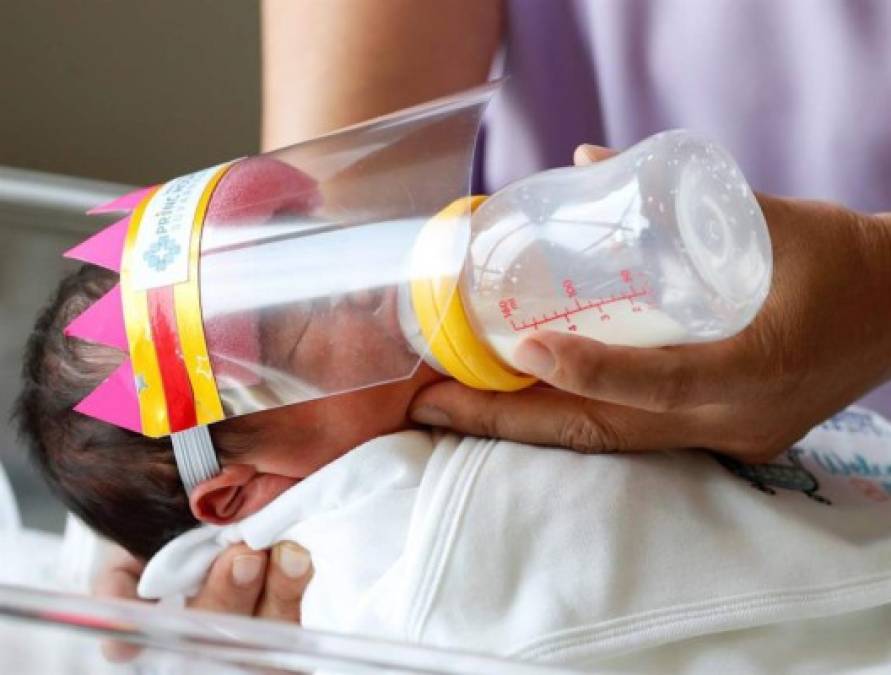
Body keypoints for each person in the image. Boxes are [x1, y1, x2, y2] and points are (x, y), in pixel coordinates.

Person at [96, 0, 891, 638]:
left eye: (296, 248)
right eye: (285, 328)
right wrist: (142, 493)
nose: (345, 275)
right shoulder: (402, 563)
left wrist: (873, 285)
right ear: (237, 498)